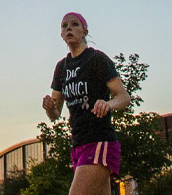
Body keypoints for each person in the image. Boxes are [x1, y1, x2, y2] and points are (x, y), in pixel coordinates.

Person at [41, 12, 128, 195]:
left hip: (99, 141)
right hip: (78, 143)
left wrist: (108, 104)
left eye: (74, 24)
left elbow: (123, 97)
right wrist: (50, 108)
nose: (69, 28)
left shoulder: (96, 59)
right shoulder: (61, 67)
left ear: (84, 31)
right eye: (64, 26)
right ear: (61, 35)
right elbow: (55, 113)